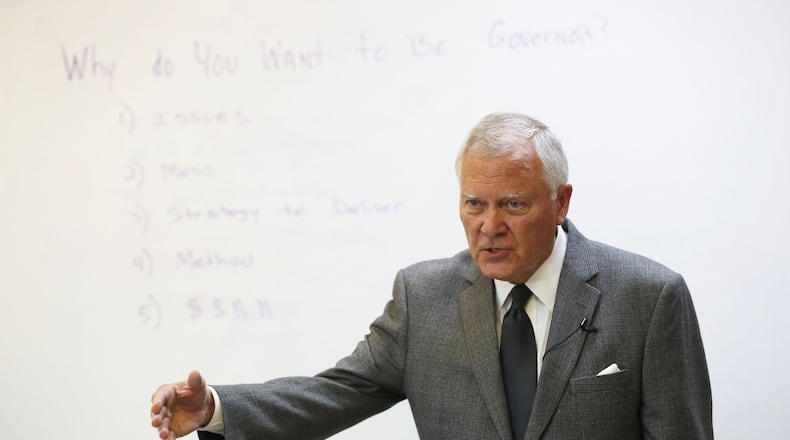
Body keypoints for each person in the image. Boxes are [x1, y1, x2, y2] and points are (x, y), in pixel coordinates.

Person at [151, 112, 713, 440]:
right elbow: (336, 392)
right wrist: (214, 409)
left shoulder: (648, 298)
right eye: (474, 204)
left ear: (560, 202)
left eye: (513, 206)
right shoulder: (425, 298)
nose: (489, 227)